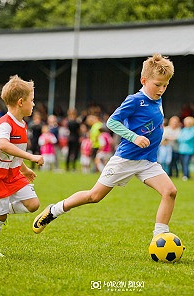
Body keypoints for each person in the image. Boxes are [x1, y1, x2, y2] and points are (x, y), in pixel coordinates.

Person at [32, 54, 177, 239]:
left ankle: (160, 237)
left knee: (170, 191)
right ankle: (55, 210)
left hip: (147, 161)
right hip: (126, 159)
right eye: (158, 84)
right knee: (94, 196)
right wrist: (134, 137)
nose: (162, 89)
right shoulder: (134, 100)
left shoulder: (158, 98)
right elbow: (112, 122)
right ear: (144, 80)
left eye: (165, 85)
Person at [0, 75, 44, 257]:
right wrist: (31, 156)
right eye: (32, 100)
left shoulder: (22, 124)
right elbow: (3, 145)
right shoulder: (5, 123)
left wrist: (24, 168)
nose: (34, 104)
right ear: (21, 102)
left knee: (33, 204)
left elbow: (12, 154)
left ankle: (3, 209)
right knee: (0, 216)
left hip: (12, 173)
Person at [177, 116, 194, 181]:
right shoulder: (183, 129)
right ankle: (185, 174)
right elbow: (179, 138)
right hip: (181, 149)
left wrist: (183, 139)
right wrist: (182, 139)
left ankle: (185, 175)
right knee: (182, 163)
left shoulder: (193, 129)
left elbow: (188, 138)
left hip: (189, 150)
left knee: (186, 163)